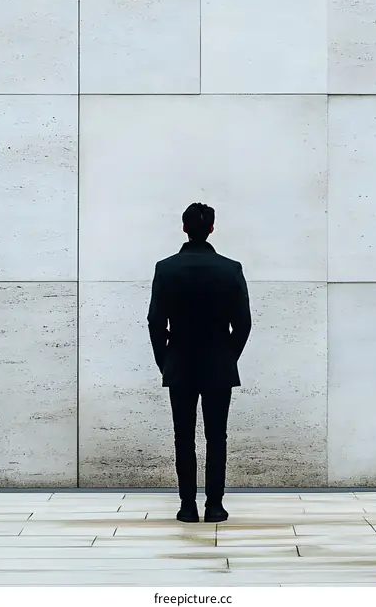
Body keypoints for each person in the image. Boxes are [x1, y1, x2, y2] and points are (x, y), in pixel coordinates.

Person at [147, 202, 252, 523]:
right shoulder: (230, 268)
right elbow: (244, 323)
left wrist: (164, 359)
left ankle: (187, 505)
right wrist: (227, 355)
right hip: (219, 363)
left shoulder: (166, 268)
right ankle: (215, 505)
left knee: (184, 437)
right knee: (216, 437)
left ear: (184, 228)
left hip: (179, 361)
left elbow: (155, 322)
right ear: (211, 229)